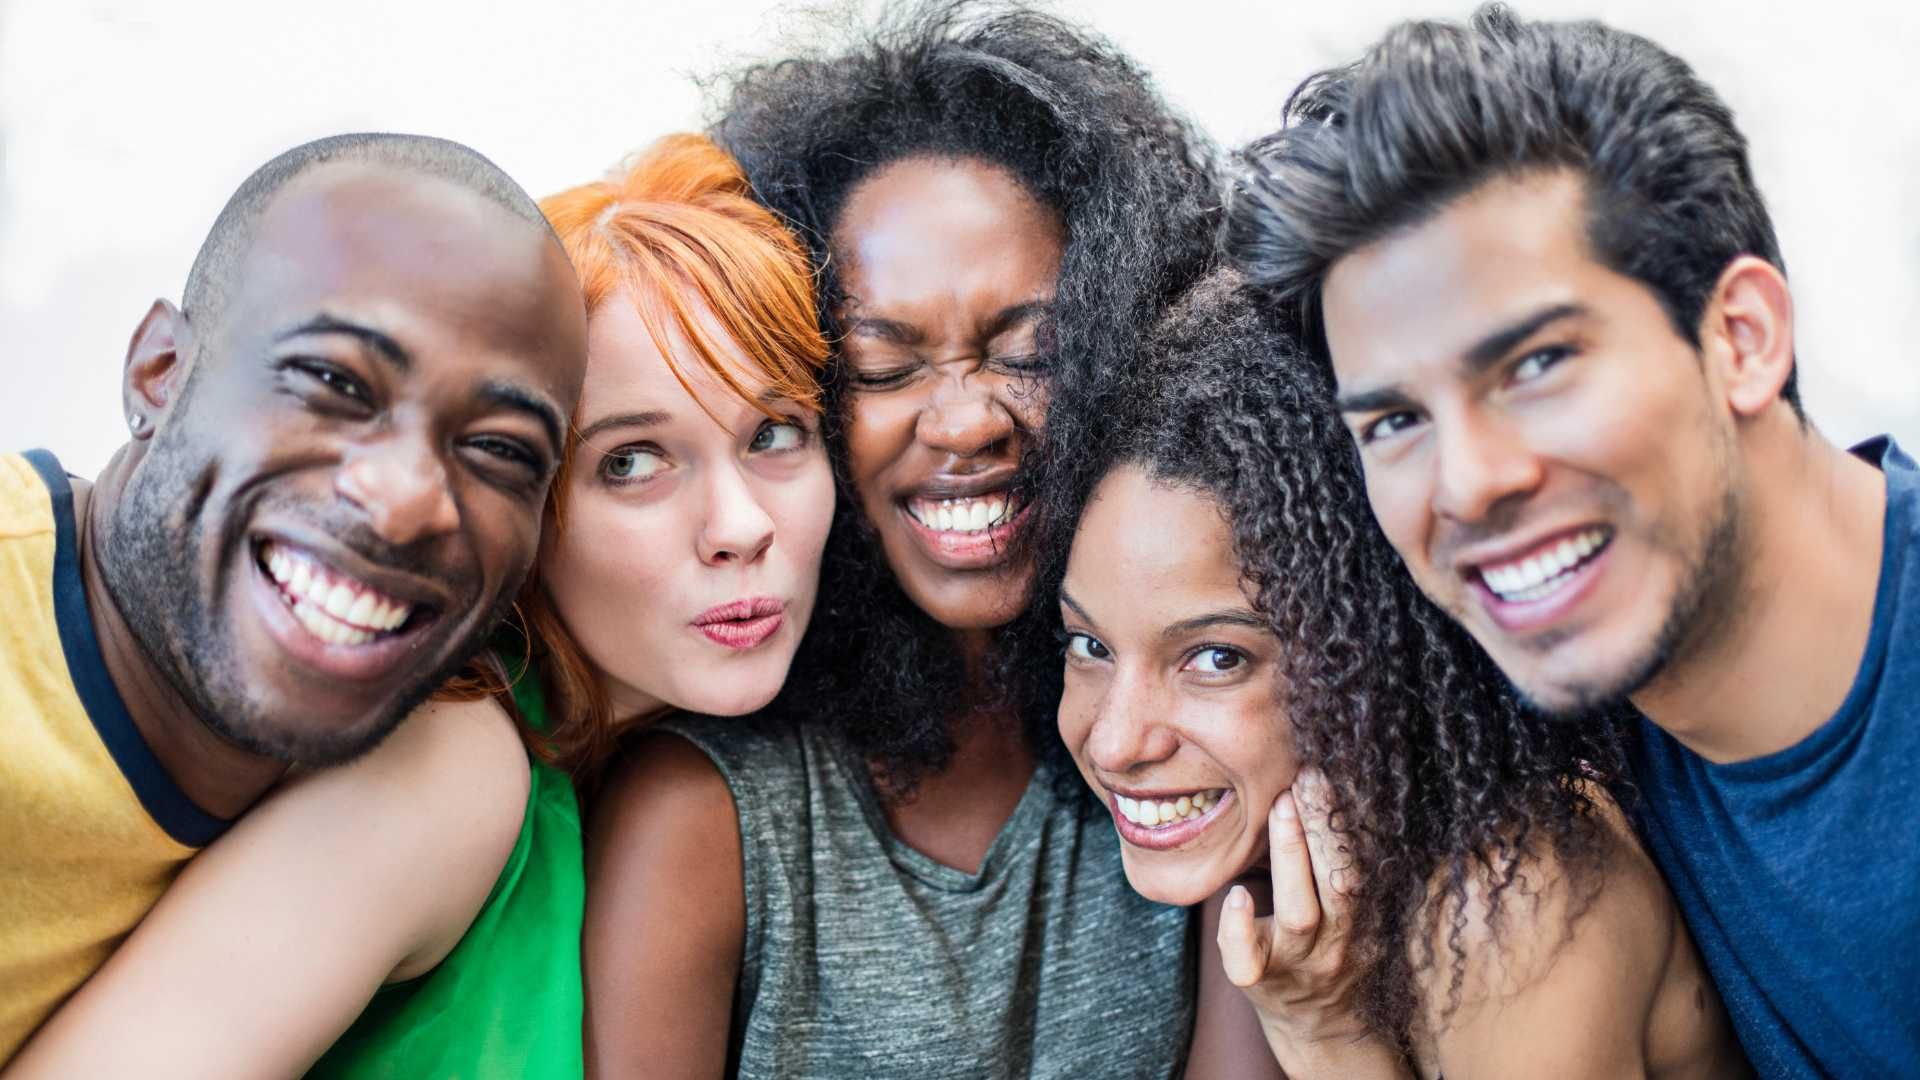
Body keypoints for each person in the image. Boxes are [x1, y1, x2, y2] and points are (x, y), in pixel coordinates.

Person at [5, 134, 832, 1079]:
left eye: (776, 433)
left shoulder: (698, 780)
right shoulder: (454, 763)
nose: (740, 525)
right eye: (631, 462)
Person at [1228, 5, 1920, 1075]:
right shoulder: (1544, 703)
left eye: (1538, 366)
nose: (1468, 485)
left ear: (1740, 340)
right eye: (1397, 422)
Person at [580, 3, 1244, 1076]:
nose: (966, 421)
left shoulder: (1180, 753)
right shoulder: (706, 816)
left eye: (1031, 353)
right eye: (885, 368)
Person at [1042, 268, 1746, 1078]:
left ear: (1369, 651)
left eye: (1216, 659)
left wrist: (1325, 1035)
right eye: (1089, 646)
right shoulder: (1279, 849)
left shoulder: (1505, 903)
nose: (1119, 740)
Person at [0, 132, 587, 1066]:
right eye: (332, 382)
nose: (405, 502)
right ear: (159, 373)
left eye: (501, 450)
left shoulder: (430, 770)